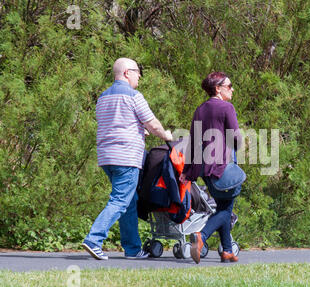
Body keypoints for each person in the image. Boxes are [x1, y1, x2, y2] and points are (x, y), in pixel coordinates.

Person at [82, 58, 173, 260]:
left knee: (129, 201)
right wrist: (165, 135)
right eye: (137, 71)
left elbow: (116, 124)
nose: (139, 75)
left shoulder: (103, 97)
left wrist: (139, 131)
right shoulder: (134, 96)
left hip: (107, 157)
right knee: (120, 200)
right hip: (126, 157)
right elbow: (153, 123)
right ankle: (93, 239)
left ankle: (132, 249)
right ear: (126, 73)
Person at [180, 72, 242, 264]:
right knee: (225, 210)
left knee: (224, 206)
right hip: (222, 166)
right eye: (229, 86)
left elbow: (193, 142)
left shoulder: (200, 110)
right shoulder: (226, 108)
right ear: (218, 89)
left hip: (205, 169)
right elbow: (235, 139)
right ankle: (202, 236)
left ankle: (227, 251)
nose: (232, 89)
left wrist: (188, 172)